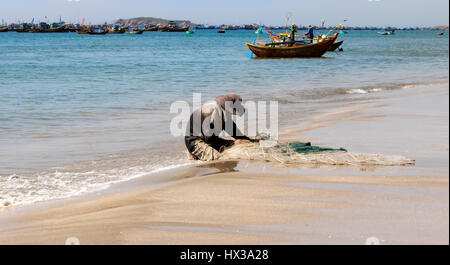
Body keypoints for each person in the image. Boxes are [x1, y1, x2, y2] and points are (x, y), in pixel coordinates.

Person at [184, 93, 256, 161]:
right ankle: (195, 153)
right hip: (195, 142)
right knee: (222, 160)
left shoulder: (223, 111)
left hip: (206, 138)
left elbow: (234, 131)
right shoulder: (213, 112)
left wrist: (249, 141)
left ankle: (198, 155)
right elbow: (210, 139)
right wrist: (232, 143)